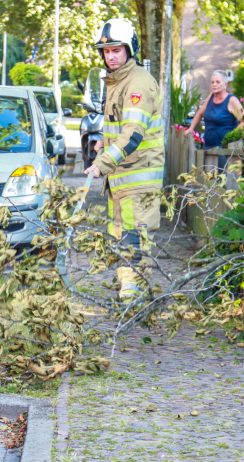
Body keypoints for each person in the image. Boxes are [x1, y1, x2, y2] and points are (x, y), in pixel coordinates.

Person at [83, 18, 165, 300]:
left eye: (117, 50)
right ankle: (130, 296)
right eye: (106, 51)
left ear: (130, 50)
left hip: (137, 182)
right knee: (122, 238)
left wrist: (100, 164)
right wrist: (101, 145)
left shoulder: (137, 83)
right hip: (122, 182)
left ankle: (132, 301)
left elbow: (132, 135)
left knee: (134, 241)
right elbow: (119, 129)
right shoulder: (118, 82)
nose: (111, 56)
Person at [185, 70, 244, 169]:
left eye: (218, 82)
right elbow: (200, 113)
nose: (214, 85)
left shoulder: (231, 100)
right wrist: (190, 128)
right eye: (212, 82)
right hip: (208, 147)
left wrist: (231, 136)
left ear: (225, 84)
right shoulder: (211, 97)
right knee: (209, 180)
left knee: (224, 181)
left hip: (224, 150)